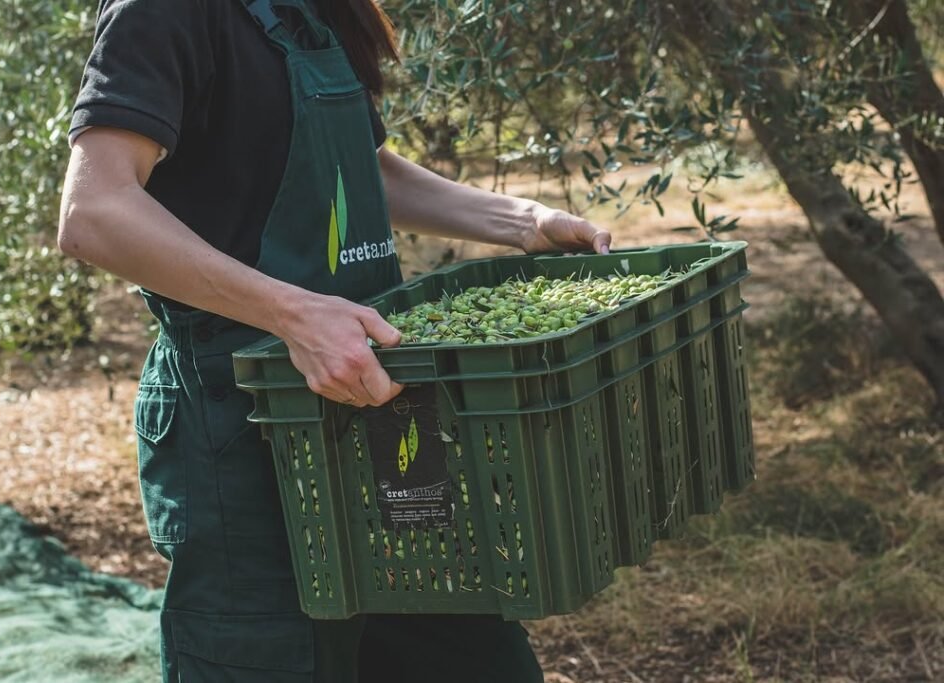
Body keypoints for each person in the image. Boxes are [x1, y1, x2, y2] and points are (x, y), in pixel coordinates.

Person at [57, 0, 612, 680]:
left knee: (471, 656)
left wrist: (525, 220)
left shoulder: (310, 10)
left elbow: (366, 171)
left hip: (378, 410)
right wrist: (293, 315)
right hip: (243, 425)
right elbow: (95, 210)